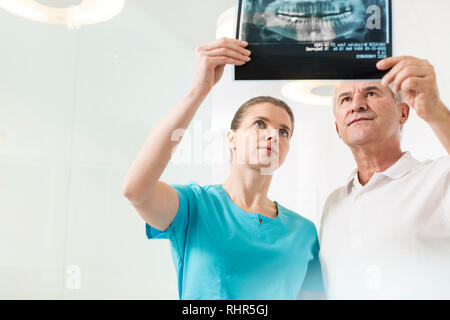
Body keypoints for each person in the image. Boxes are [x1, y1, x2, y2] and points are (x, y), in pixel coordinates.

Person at [122, 37, 324, 300]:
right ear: (232, 139)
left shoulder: (304, 232)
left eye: (283, 131)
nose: (273, 135)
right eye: (260, 124)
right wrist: (198, 90)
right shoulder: (194, 206)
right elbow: (135, 190)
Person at [319, 56, 450, 299]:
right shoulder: (333, 203)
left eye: (371, 93)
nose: (356, 105)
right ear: (338, 128)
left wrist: (435, 110)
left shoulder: (439, 178)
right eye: (345, 99)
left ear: (403, 112)